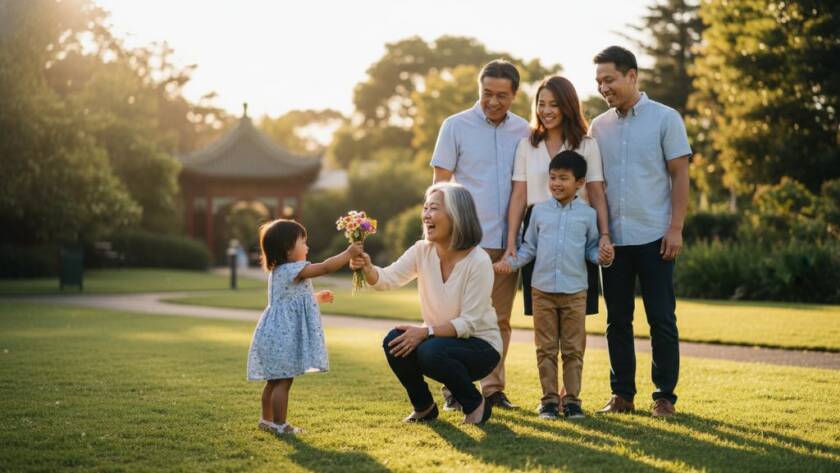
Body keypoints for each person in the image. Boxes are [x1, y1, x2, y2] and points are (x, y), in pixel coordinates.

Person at [589, 46, 691, 417]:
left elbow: (680, 175)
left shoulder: (666, 119)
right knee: (617, 321)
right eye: (599, 81)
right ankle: (622, 396)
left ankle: (664, 396)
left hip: (655, 237)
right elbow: (595, 186)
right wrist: (601, 234)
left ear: (632, 76)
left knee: (661, 318)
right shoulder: (597, 127)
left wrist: (675, 228)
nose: (603, 87)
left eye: (609, 79)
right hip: (613, 241)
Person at [350, 183, 502, 425]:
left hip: (480, 348)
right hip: (439, 341)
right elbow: (386, 279)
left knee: (429, 350)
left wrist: (425, 332)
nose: (426, 215)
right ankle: (424, 407)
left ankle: (475, 405)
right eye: (425, 208)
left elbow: (469, 323)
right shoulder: (422, 250)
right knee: (394, 341)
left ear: (457, 215)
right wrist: (368, 268)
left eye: (434, 209)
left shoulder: (478, 261)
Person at [430, 59, 530, 410]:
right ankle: (455, 391)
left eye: (502, 95)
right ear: (479, 89)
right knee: (457, 320)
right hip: (462, 242)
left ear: (514, 95)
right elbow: (440, 185)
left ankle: (493, 390)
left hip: (505, 244)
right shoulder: (454, 125)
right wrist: (438, 237)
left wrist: (515, 242)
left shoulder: (524, 130)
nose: (493, 101)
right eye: (487, 93)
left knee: (499, 320)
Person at [495, 151, 614, 420]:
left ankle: (571, 402)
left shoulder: (588, 215)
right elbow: (528, 249)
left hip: (575, 293)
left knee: (573, 349)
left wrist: (603, 257)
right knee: (545, 349)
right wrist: (509, 264)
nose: (556, 183)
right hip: (542, 291)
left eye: (563, 178)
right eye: (552, 178)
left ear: (580, 182)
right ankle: (548, 402)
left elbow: (591, 250)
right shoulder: (537, 212)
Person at [505, 75, 611, 318]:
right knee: (544, 322)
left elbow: (596, 193)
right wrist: (512, 241)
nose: (546, 110)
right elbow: (519, 196)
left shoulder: (587, 145)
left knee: (575, 319)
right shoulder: (526, 145)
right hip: (538, 229)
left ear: (567, 106)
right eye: (541, 104)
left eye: (553, 104)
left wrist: (604, 235)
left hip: (577, 228)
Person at [246, 219, 363, 434]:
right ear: (287, 250)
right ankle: (281, 425)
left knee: (273, 380)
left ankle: (266, 420)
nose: (307, 247)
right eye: (303, 242)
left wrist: (316, 297)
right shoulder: (294, 269)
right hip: (283, 335)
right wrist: (348, 254)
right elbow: (326, 267)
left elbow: (291, 300)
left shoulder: (278, 271)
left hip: (271, 332)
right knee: (284, 381)